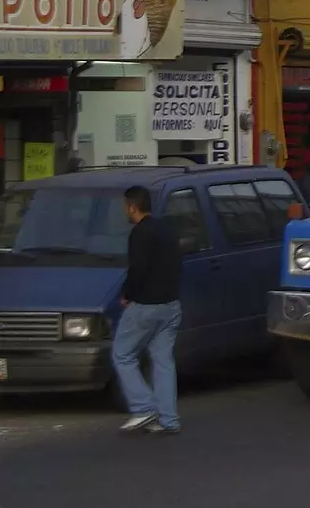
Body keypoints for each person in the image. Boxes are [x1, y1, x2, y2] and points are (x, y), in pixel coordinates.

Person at [113, 185, 182, 434]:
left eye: (125, 206)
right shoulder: (167, 230)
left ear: (132, 206)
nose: (125, 211)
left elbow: (137, 269)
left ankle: (143, 408)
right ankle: (168, 419)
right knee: (163, 360)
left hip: (146, 305)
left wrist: (127, 295)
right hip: (171, 304)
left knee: (122, 355)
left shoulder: (139, 233)